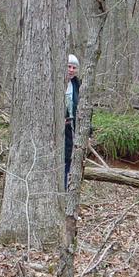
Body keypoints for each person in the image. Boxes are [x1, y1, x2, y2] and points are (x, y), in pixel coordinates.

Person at [64, 54, 80, 189]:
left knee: (69, 159)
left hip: (72, 129)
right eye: (69, 66)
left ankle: (66, 190)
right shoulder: (57, 83)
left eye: (74, 67)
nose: (71, 70)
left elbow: (82, 108)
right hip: (57, 128)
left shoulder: (77, 85)